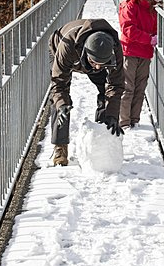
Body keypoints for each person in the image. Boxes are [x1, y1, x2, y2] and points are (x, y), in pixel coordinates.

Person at [48, 18, 125, 166]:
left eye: (102, 64)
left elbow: (116, 85)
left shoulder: (114, 48)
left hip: (90, 58)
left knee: (106, 93)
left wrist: (112, 115)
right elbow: (58, 83)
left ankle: (101, 138)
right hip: (62, 50)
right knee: (59, 102)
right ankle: (60, 148)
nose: (97, 68)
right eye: (94, 63)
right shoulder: (67, 44)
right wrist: (61, 104)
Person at [118, 0, 157, 129]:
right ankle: (124, 121)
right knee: (128, 87)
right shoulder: (129, 7)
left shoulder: (153, 10)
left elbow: (155, 29)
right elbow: (128, 29)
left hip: (145, 53)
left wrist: (155, 37)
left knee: (140, 88)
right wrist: (149, 39)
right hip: (130, 52)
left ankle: (135, 119)